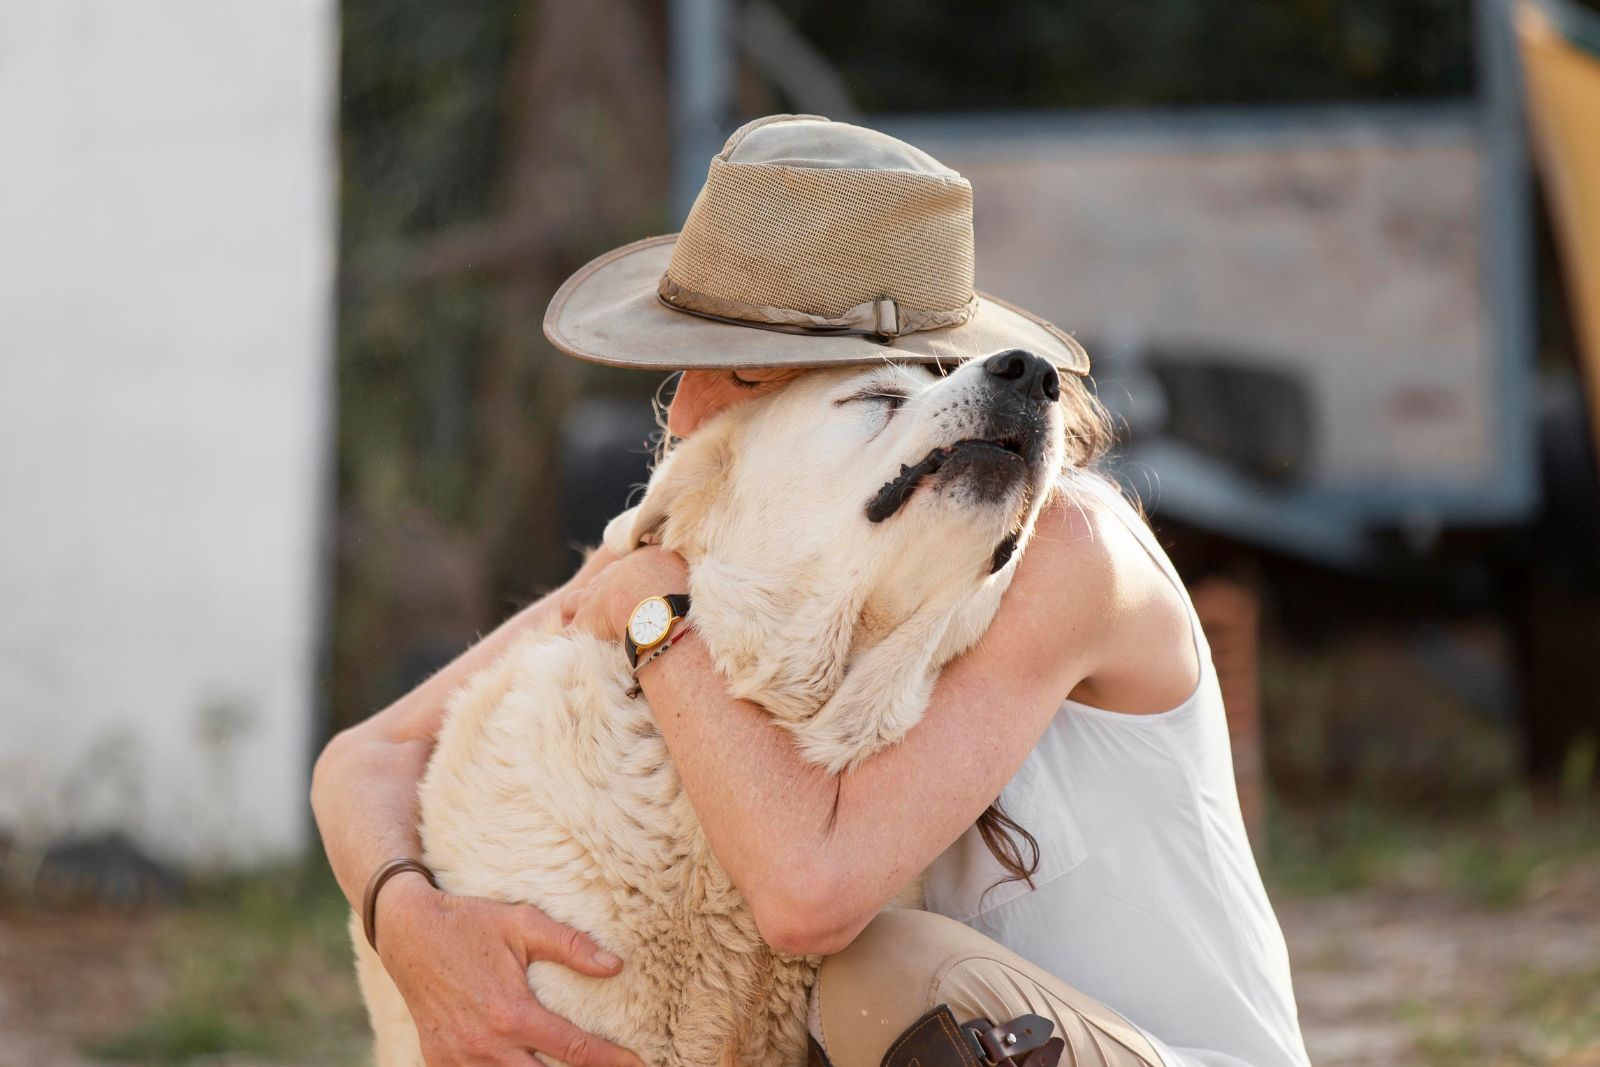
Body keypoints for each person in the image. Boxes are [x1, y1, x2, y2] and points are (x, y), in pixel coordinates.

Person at [312, 115, 1311, 1067]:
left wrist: (660, 621)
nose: (679, 408)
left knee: (879, 968)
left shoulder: (1064, 548)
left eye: (720, 366)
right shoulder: (725, 540)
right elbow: (370, 754)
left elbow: (809, 893)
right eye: (681, 365)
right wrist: (413, 923)